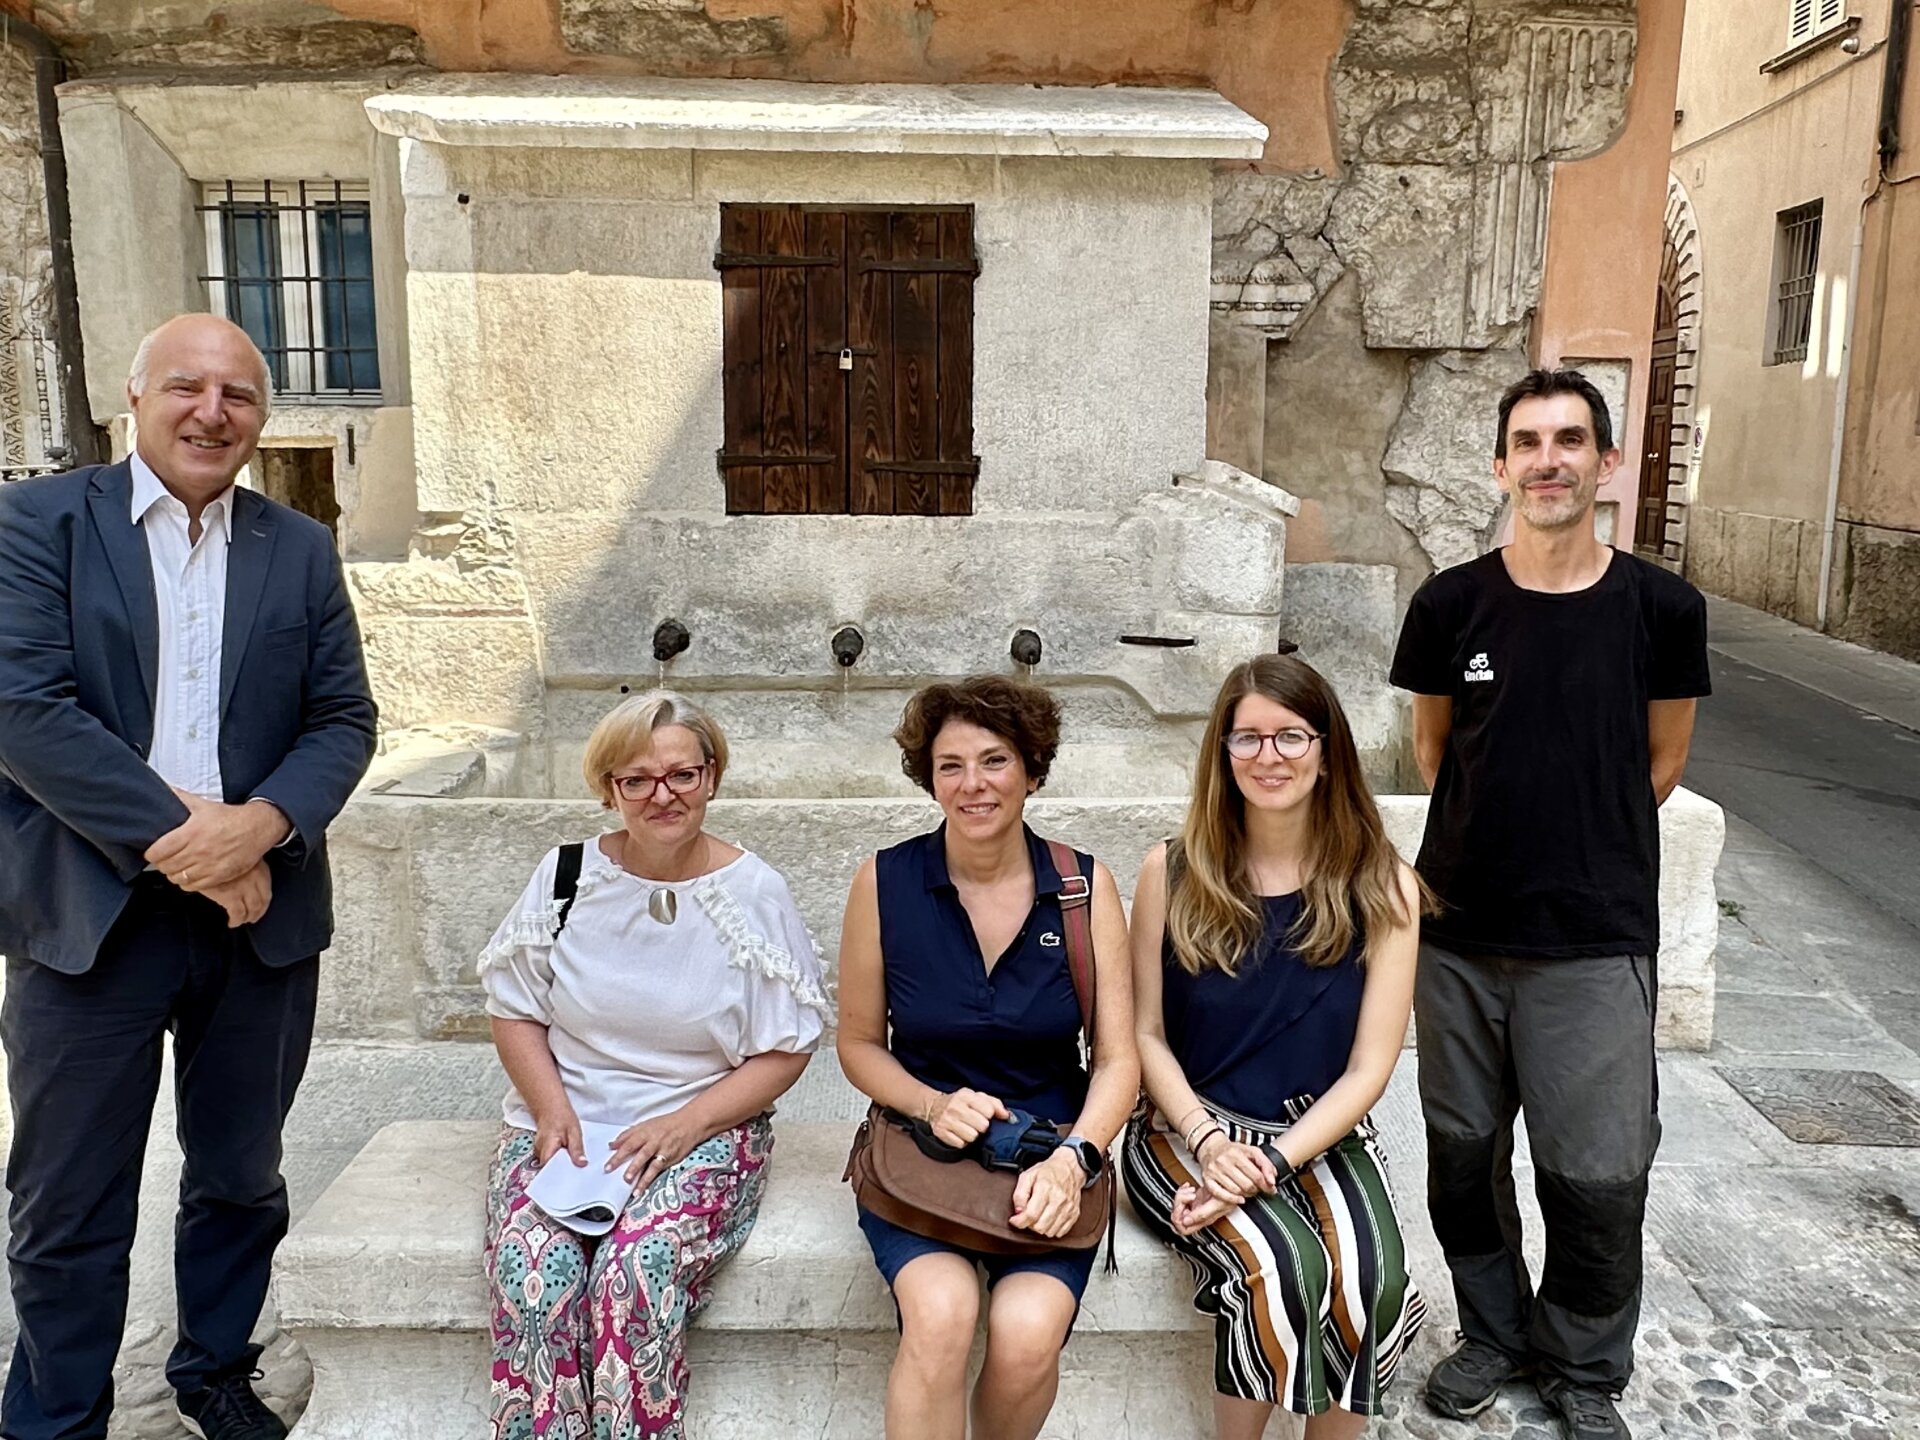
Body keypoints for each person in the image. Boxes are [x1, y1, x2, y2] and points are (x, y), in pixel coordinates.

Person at [0, 314, 378, 1440]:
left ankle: (214, 1370)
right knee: (68, 1199)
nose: (212, 412)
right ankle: (55, 1416)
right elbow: (25, 711)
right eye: (187, 386)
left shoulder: (298, 546)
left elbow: (343, 718)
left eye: (239, 396)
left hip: (258, 923)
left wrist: (261, 826)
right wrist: (199, 851)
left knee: (238, 1176)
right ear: (136, 397)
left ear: (261, 420)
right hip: (90, 915)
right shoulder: (37, 523)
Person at [1390, 368, 1710, 1440]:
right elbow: (1436, 755)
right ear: (1500, 466)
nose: (1549, 459)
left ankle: (1582, 1366)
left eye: (1571, 439)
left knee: (1599, 1175)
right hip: (1461, 937)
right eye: (1527, 442)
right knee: (1464, 1160)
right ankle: (1491, 1334)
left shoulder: (1663, 609)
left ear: (1606, 462)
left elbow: (1661, 764)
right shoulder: (1450, 604)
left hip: (1595, 939)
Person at [480, 690, 828, 1440]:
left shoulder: (752, 893)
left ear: (712, 776)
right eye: (636, 779)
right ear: (609, 789)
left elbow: (786, 1047)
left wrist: (684, 1124)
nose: (661, 795)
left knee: (633, 1280)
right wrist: (548, 1110)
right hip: (567, 1123)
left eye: (682, 775)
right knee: (536, 1276)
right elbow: (513, 1008)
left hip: (703, 1127)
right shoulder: (566, 875)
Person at [1120, 653, 1427, 1440]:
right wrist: (1210, 1144)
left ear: (1327, 752)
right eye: (1247, 738)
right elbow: (1143, 1034)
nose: (1270, 757)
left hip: (1317, 1133)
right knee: (1287, 1268)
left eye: (1291, 736)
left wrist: (1274, 1160)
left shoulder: (1382, 884)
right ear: (1222, 753)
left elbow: (1371, 1068)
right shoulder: (1174, 869)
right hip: (1184, 1128)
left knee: (1373, 1283)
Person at [836, 676, 1138, 1440]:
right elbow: (859, 1044)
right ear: (928, 778)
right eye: (950, 766)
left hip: (1047, 1161)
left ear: (1032, 770)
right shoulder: (884, 881)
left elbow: (1117, 1060)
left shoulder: (1080, 887)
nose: (973, 784)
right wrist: (931, 1103)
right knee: (940, 1318)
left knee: (1027, 1336)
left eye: (995, 760)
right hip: (920, 1153)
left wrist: (1076, 1160)